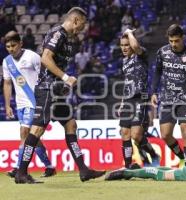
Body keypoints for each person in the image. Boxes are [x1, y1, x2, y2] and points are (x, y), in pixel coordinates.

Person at [14, 7, 106, 184]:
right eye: (83, 24)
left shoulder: (70, 39)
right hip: (47, 88)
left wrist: (63, 83)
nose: (83, 28)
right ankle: (21, 173)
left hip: (56, 89)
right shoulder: (58, 33)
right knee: (37, 129)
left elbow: (56, 63)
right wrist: (65, 77)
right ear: (76, 21)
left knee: (70, 124)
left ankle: (84, 170)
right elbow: (46, 58)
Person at [2, 31, 56, 178]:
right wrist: (8, 105)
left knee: (24, 133)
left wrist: (47, 98)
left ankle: (18, 168)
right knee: (33, 138)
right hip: (20, 104)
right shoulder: (7, 62)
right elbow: (7, 83)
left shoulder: (32, 57)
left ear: (21, 44)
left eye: (13, 45)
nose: (11, 49)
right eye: (8, 46)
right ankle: (49, 167)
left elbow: (45, 77)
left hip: (35, 102)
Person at [151, 24, 186, 167]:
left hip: (185, 99)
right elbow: (157, 72)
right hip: (167, 99)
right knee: (165, 135)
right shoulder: (162, 52)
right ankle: (182, 157)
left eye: (176, 41)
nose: (173, 44)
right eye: (171, 41)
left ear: (183, 38)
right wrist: (154, 92)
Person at [118, 28, 160, 169]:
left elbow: (136, 46)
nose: (124, 48)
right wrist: (122, 102)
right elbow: (127, 83)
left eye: (127, 45)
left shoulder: (141, 55)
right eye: (122, 45)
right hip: (128, 100)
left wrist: (129, 33)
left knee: (136, 136)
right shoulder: (124, 62)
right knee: (124, 133)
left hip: (140, 98)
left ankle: (153, 155)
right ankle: (128, 166)